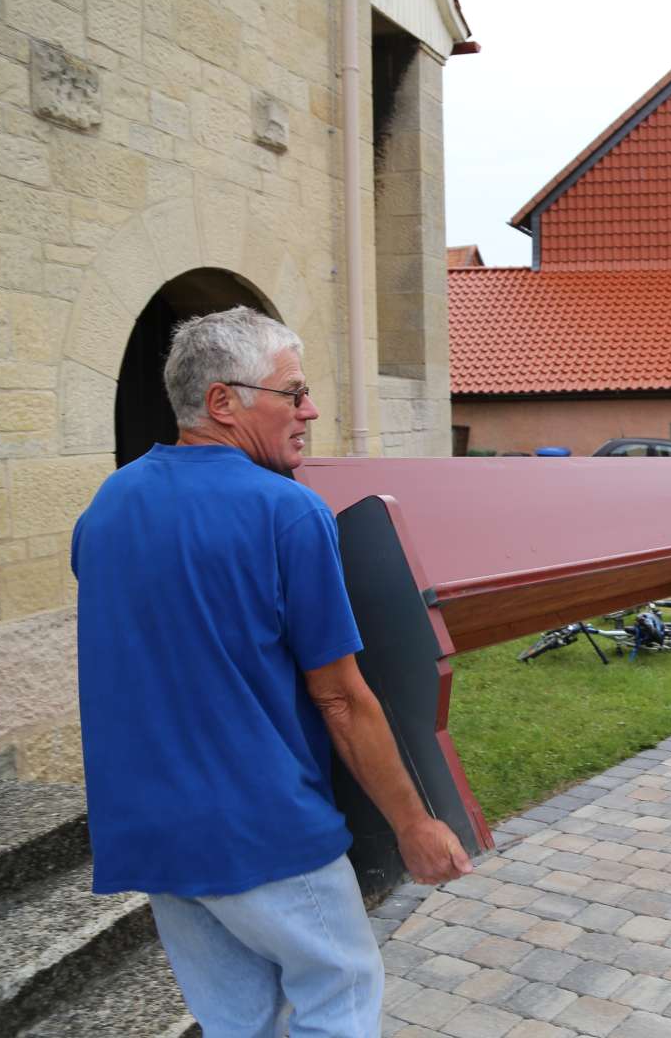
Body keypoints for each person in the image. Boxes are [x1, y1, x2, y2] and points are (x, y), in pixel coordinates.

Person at [72, 306, 471, 1037]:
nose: (310, 410)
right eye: (292, 393)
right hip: (263, 831)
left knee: (237, 1026)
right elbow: (342, 700)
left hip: (155, 837)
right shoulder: (287, 512)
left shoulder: (107, 506)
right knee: (340, 1000)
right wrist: (414, 825)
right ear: (223, 402)